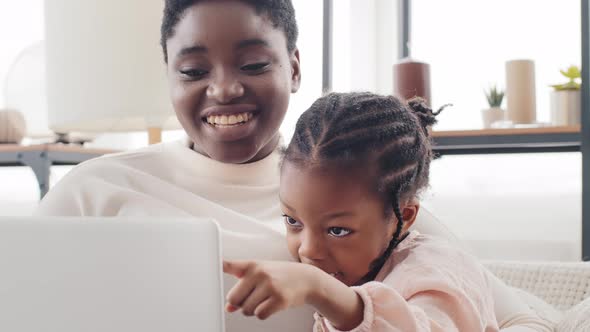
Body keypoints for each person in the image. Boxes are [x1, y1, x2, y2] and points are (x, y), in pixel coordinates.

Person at [35, 0, 552, 331]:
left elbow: (513, 318)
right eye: (193, 70)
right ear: (169, 75)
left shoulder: (357, 188)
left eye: (254, 63)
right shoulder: (95, 191)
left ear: (295, 67)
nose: (223, 89)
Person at [223, 93, 499, 331]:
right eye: (293, 221)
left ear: (403, 218)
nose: (308, 251)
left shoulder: (437, 270)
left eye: (338, 230)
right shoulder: (356, 271)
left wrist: (318, 286)